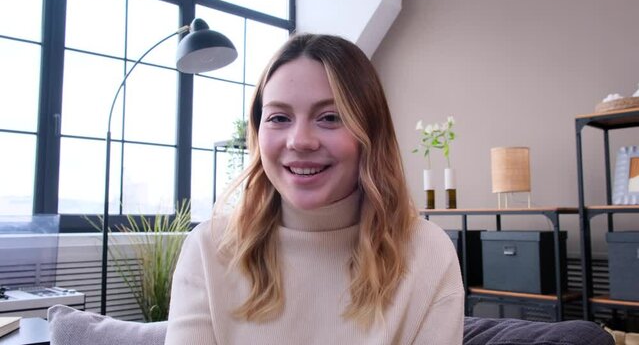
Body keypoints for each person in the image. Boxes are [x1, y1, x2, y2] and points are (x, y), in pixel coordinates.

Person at [165, 33, 464, 344]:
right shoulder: (208, 250)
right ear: (257, 132)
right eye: (279, 118)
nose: (300, 140)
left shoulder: (428, 254)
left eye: (330, 117)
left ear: (370, 133)